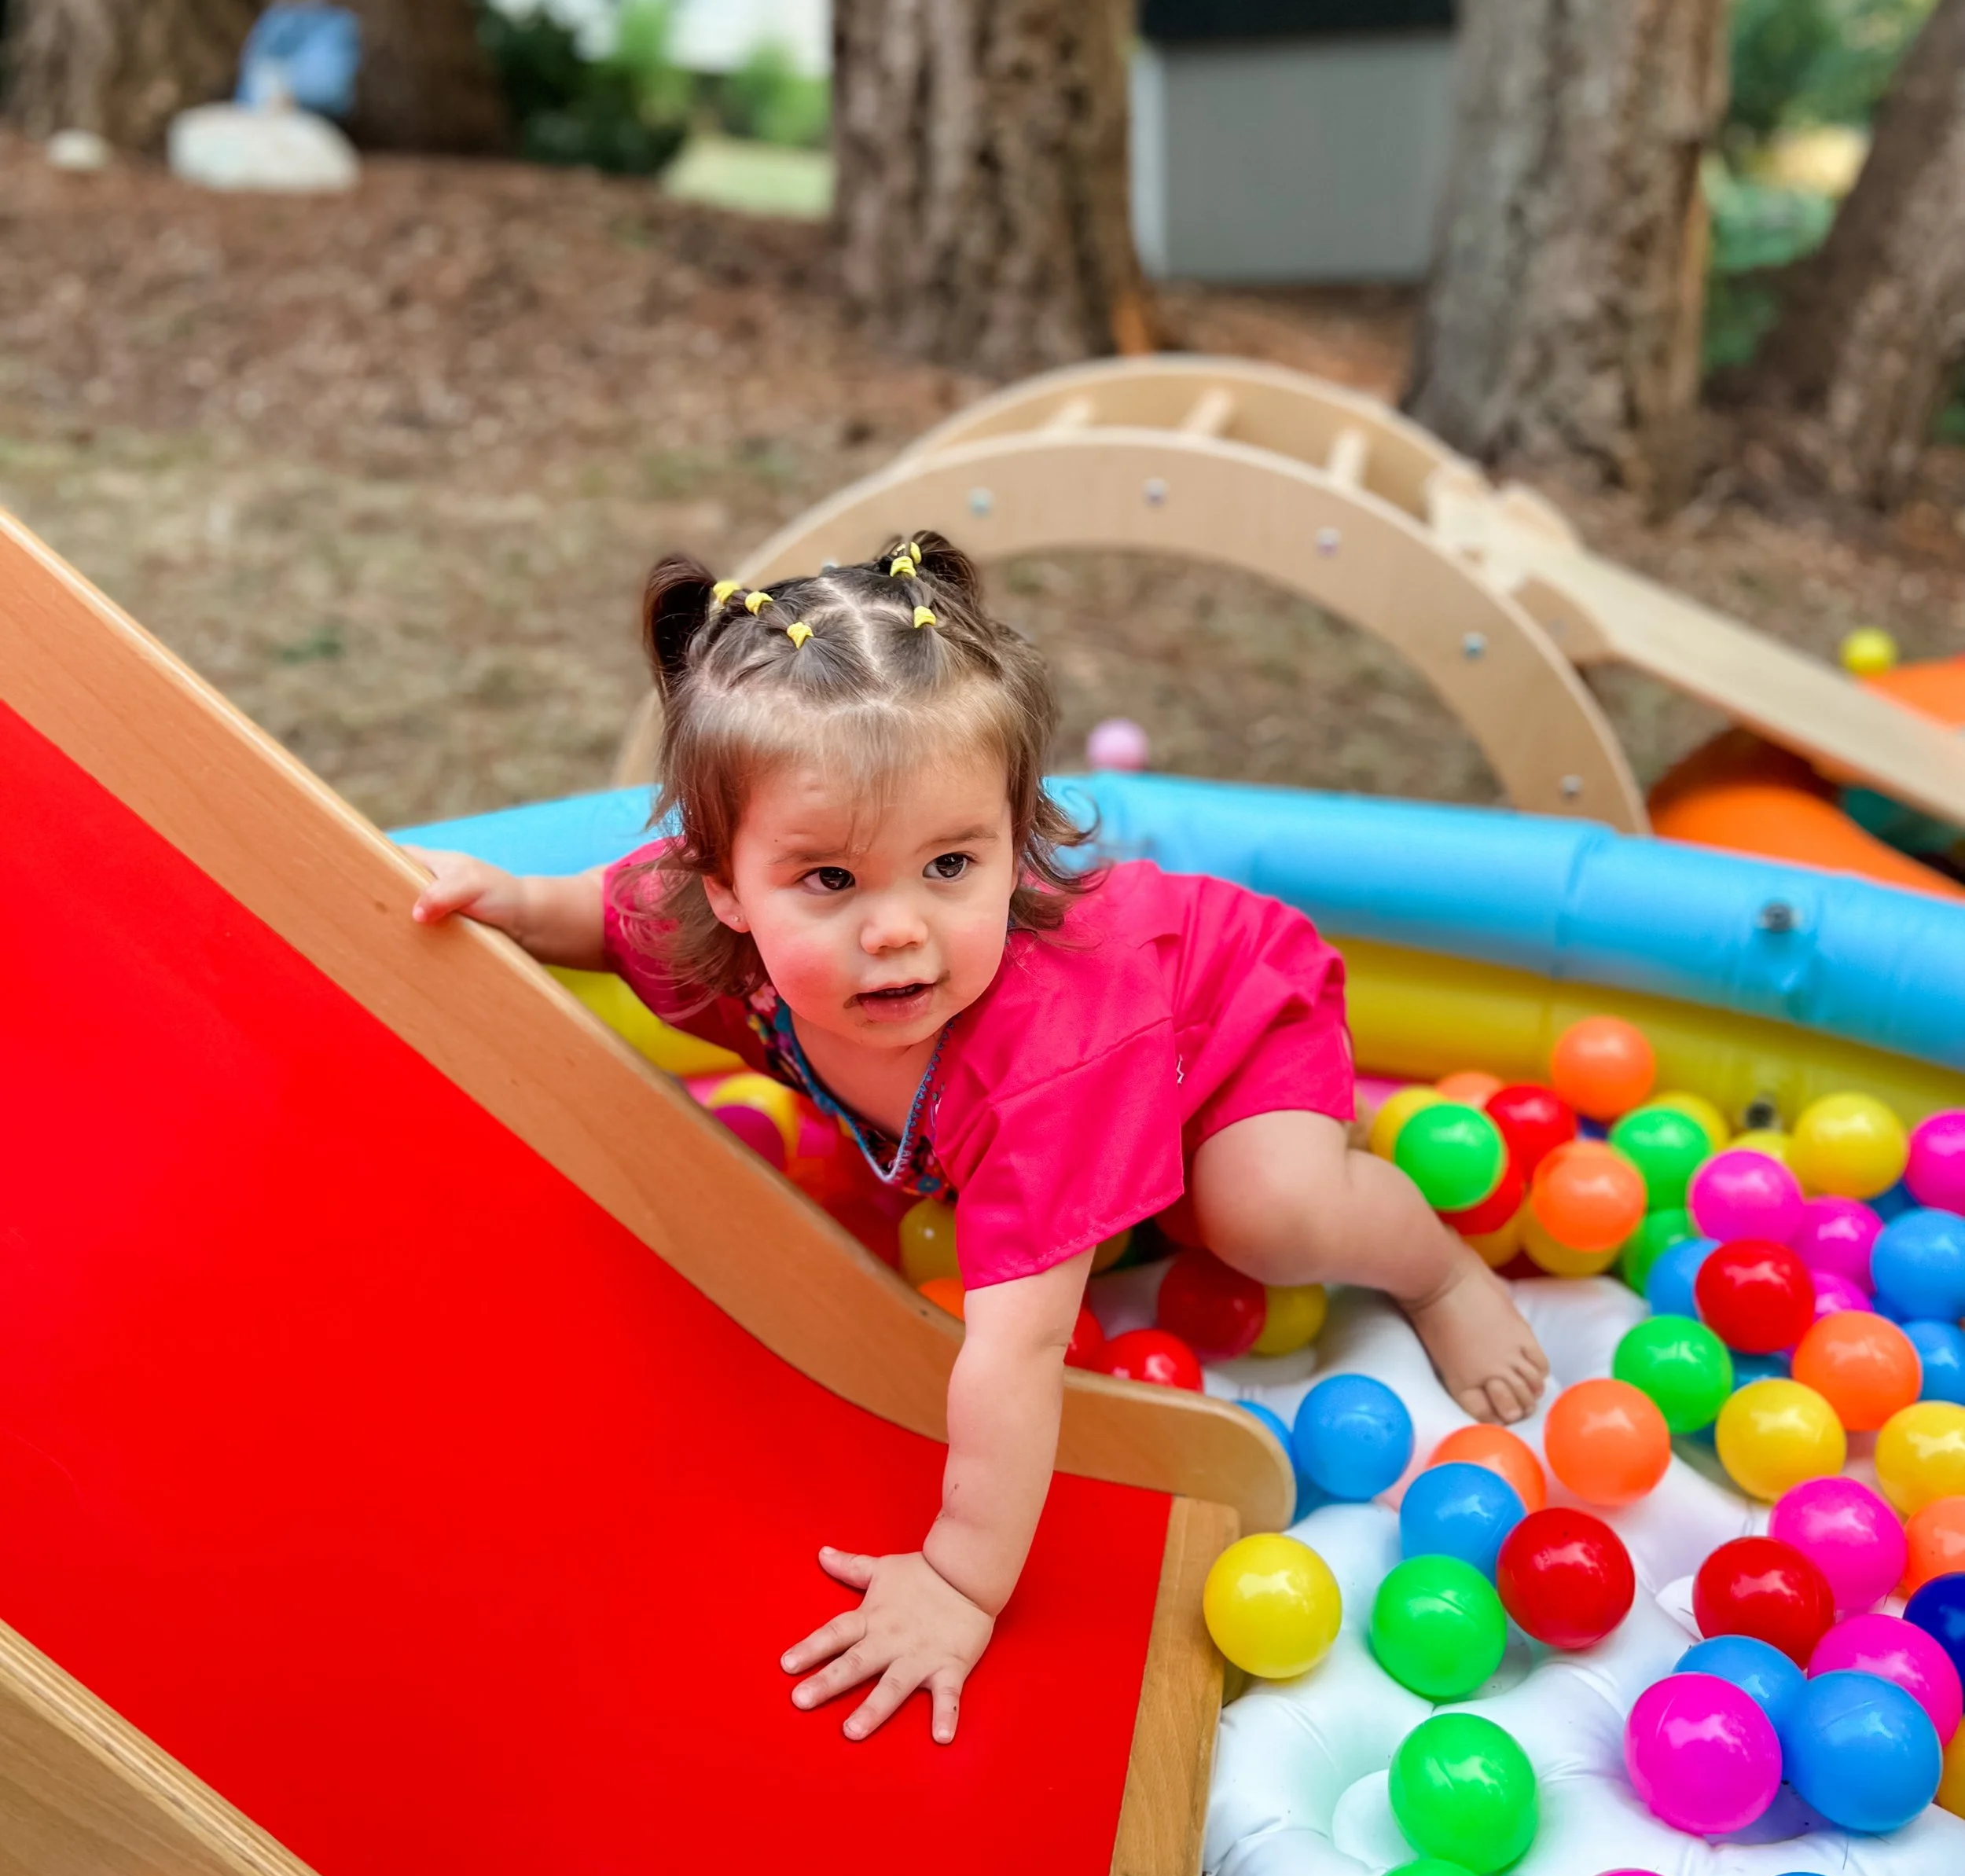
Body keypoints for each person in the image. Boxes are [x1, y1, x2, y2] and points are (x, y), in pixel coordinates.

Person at [411, 533, 1548, 1743]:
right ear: (724, 886)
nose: (897, 931)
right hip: (1080, 1096)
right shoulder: (699, 930)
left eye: (951, 865)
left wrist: (959, 1581)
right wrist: (511, 904)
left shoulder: (1041, 1069)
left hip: (1215, 1027)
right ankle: (1158, 1179)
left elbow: (1017, 1354)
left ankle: (1436, 1266)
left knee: (1264, 1219)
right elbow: (601, 909)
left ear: (1020, 841)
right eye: (830, 882)